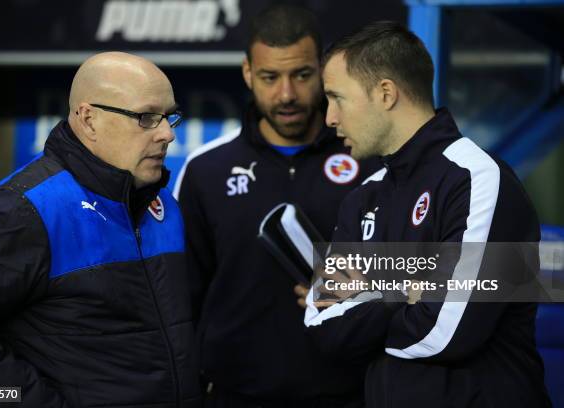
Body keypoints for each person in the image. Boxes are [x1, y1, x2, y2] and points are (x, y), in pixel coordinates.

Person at [304, 21, 552, 407]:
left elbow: (446, 333)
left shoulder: (478, 178)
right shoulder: (362, 198)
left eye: (337, 98)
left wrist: (369, 292)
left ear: (385, 93)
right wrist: (405, 290)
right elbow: (322, 328)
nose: (330, 118)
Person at [0, 52, 201, 407]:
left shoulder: (164, 206)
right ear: (88, 119)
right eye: (147, 117)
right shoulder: (23, 211)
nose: (166, 134)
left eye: (169, 117)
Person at [174, 5, 378, 407]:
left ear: (323, 69)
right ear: (248, 73)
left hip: (352, 392)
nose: (286, 94)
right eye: (270, 77)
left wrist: (369, 291)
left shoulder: (371, 162)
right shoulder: (206, 170)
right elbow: (183, 297)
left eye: (302, 75)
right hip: (235, 395)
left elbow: (413, 277)